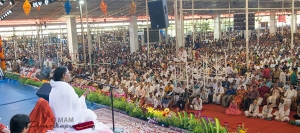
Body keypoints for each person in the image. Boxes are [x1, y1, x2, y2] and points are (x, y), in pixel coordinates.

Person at [49, 67, 113, 132]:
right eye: (68, 73)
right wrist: (84, 95)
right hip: (67, 121)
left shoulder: (54, 88)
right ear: (64, 75)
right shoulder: (66, 88)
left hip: (57, 121)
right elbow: (77, 104)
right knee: (90, 114)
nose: (70, 74)